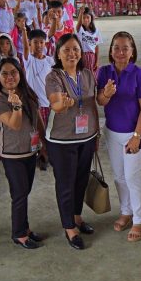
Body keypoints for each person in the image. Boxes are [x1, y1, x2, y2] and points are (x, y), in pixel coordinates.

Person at [45, 34, 100, 250]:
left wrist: (96, 131)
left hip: (86, 136)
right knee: (66, 184)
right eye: (66, 49)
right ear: (58, 53)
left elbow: (92, 104)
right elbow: (55, 104)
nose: (71, 53)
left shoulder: (87, 74)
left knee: (80, 181)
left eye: (75, 49)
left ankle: (77, 217)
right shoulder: (54, 77)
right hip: (61, 140)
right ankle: (69, 227)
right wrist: (63, 104)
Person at [96, 32, 141, 242]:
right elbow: (101, 102)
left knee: (131, 176)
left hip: (133, 133)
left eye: (125, 48)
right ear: (110, 51)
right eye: (116, 48)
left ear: (132, 51)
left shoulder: (139, 74)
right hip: (112, 132)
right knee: (119, 176)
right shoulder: (104, 72)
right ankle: (126, 211)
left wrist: (137, 136)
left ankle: (139, 219)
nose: (120, 52)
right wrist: (106, 93)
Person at [0, 58, 47, 249]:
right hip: (12, 154)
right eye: (4, 73)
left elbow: (37, 117)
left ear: (20, 74)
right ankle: (19, 233)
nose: (9, 77)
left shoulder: (27, 92)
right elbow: (14, 124)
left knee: (25, 191)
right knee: (19, 193)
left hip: (30, 151)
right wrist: (15, 106)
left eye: (13, 72)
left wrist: (44, 144)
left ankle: (25, 227)